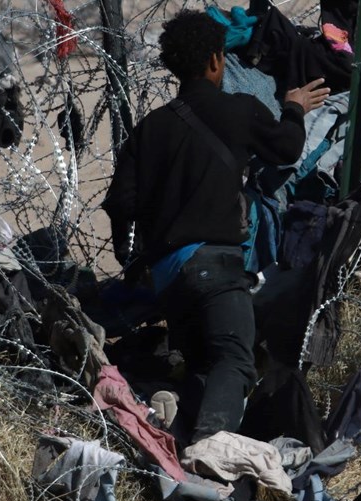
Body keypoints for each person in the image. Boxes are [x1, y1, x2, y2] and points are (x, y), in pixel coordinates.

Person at [102, 10, 328, 444]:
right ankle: (209, 451)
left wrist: (135, 262)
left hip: (167, 276)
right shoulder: (238, 110)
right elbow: (286, 148)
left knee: (204, 367)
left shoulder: (149, 129)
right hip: (214, 265)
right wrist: (294, 109)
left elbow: (121, 204)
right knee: (235, 361)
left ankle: (177, 440)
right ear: (215, 61)